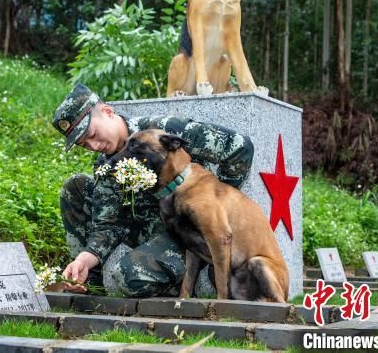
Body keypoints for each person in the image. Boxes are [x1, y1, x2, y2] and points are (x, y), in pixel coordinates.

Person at [51, 82, 254, 297]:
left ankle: (190, 278)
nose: (93, 146)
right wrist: (85, 257)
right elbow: (109, 223)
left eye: (91, 135)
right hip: (148, 230)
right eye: (84, 145)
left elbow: (239, 147)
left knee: (129, 277)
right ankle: (89, 285)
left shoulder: (163, 132)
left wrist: (214, 209)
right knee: (76, 186)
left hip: (184, 233)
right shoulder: (106, 163)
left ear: (107, 112)